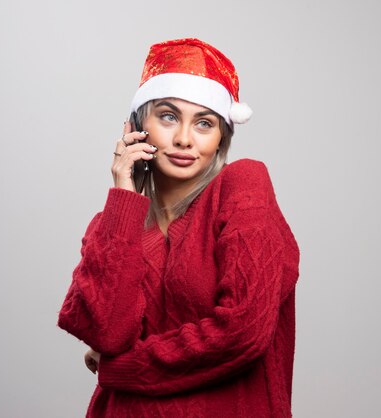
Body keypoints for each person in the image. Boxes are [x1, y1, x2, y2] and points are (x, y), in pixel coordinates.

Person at [57, 38, 300, 417]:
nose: (185, 138)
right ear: (137, 126)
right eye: (168, 116)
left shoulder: (243, 187)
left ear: (222, 136)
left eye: (204, 123)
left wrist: (125, 367)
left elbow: (244, 330)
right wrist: (124, 195)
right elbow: (105, 333)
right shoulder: (115, 222)